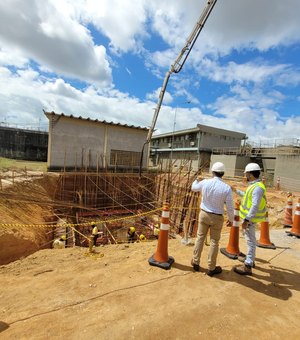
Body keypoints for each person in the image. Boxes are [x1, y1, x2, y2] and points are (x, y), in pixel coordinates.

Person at [191, 162, 234, 276]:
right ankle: (211, 267)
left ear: (212, 172)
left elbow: (194, 188)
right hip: (217, 217)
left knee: (200, 237)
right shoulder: (226, 188)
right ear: (223, 173)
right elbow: (230, 206)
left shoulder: (205, 182)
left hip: (204, 214)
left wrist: (197, 179)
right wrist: (231, 219)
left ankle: (195, 262)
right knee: (214, 242)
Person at [233, 163, 267, 275]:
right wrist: (236, 190)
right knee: (250, 240)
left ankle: (248, 265)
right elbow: (246, 195)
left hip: (250, 219)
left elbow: (255, 205)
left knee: (251, 242)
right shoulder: (254, 185)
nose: (245, 176)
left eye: (246, 174)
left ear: (251, 174)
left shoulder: (257, 188)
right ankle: (250, 259)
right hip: (250, 218)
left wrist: (246, 220)